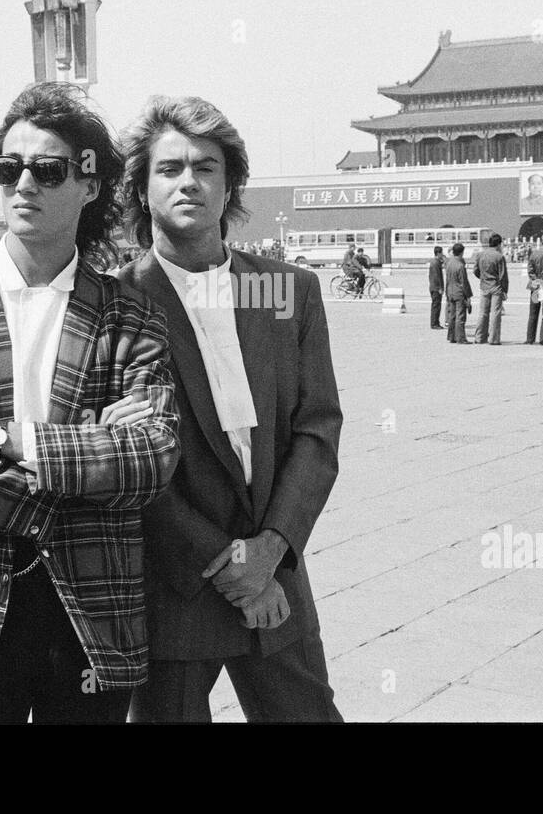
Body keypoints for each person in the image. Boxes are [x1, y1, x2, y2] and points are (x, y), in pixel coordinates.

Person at [0, 81, 180, 725]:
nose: (23, 184)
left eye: (47, 170)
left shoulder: (133, 315)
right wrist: (85, 459)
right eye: (6, 166)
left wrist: (2, 439)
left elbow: (152, 459)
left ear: (90, 185)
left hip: (92, 610)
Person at [116, 95, 343, 724]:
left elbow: (317, 428)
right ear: (141, 189)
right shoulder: (114, 303)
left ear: (230, 184)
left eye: (206, 166)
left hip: (276, 577)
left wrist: (271, 549)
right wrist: (224, 562)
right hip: (176, 585)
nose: (189, 181)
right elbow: (121, 460)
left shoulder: (285, 290)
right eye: (169, 168)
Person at [473, 233, 508, 344]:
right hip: (496, 287)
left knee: (482, 312)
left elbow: (475, 271)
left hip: (484, 286)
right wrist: (505, 290)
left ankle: (479, 337)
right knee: (495, 313)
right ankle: (493, 338)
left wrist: (483, 277)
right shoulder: (499, 256)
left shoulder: (480, 255)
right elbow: (503, 276)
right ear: (498, 244)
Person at [525, 233, 543, 345]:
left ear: (541, 242)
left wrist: (536, 280)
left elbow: (530, 271)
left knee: (533, 313)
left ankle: (530, 338)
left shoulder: (534, 254)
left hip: (535, 285)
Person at [444, 243, 473, 344]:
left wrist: (446, 292)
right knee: (460, 316)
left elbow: (447, 279)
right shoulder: (460, 265)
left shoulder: (449, 263)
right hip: (459, 293)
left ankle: (452, 336)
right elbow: (464, 282)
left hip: (450, 291)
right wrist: (468, 295)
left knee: (452, 316)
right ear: (461, 252)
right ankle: (461, 338)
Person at [427, 246, 445, 330]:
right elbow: (437, 276)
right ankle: (434, 323)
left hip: (433, 287)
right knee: (436, 306)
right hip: (436, 288)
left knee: (437, 305)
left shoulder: (435, 262)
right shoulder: (435, 263)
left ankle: (436, 322)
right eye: (441, 253)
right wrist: (440, 288)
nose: (442, 254)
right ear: (438, 253)